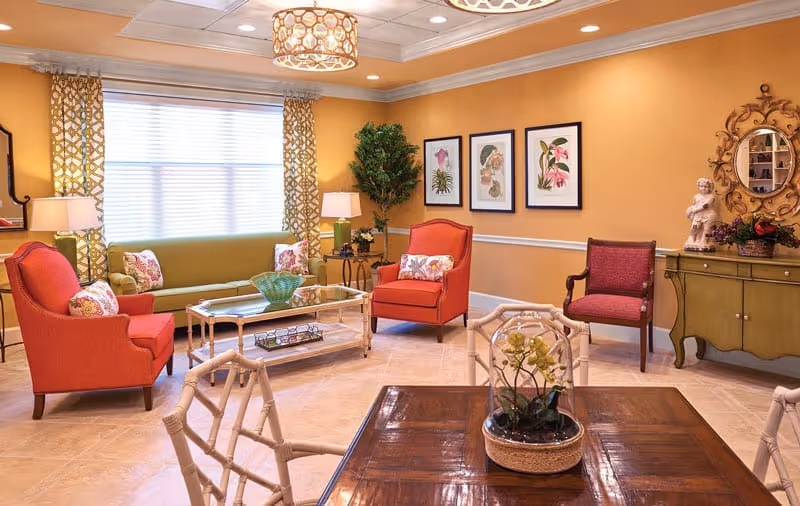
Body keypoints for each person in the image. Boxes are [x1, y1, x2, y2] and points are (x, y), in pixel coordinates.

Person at [685, 177, 718, 251]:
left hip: (709, 215)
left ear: (710, 187)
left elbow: (706, 205)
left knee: (707, 229)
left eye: (705, 186)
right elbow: (694, 204)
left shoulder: (711, 196)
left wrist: (695, 210)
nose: (703, 188)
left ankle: (704, 241)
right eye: (701, 186)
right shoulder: (696, 196)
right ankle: (692, 238)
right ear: (699, 187)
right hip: (698, 215)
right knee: (694, 227)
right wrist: (690, 210)